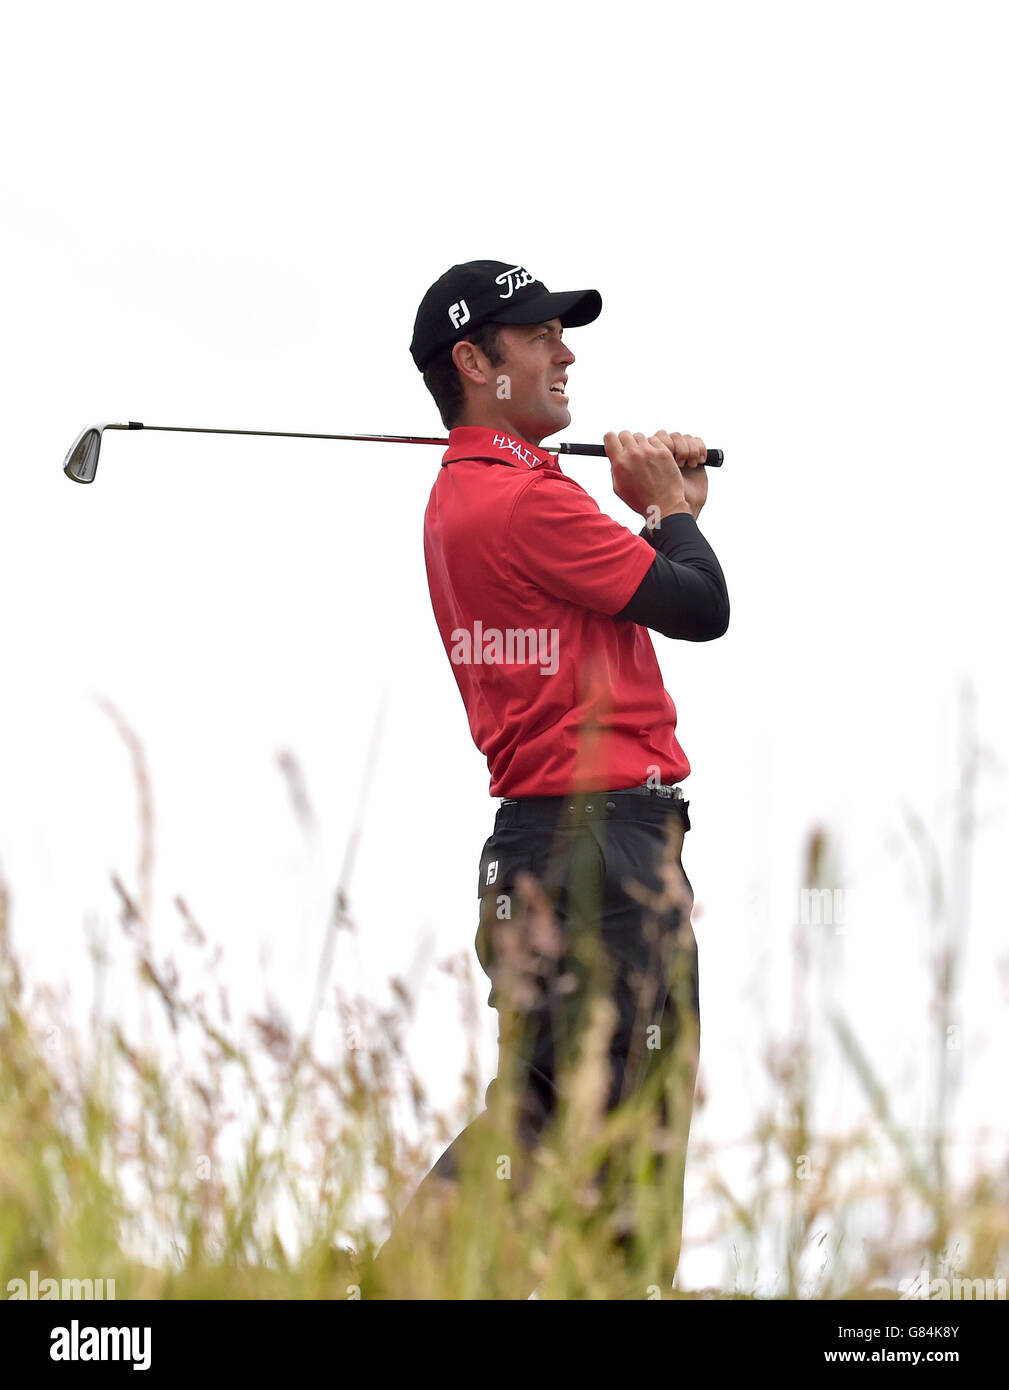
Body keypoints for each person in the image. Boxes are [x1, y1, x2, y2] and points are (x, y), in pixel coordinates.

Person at [372, 260, 729, 1298]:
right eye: (538, 336)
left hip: (567, 844)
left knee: (555, 1117)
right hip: (595, 851)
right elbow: (700, 605)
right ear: (475, 362)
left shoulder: (480, 495)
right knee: (609, 1130)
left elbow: (662, 582)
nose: (565, 352)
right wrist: (666, 507)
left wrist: (669, 513)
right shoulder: (523, 502)